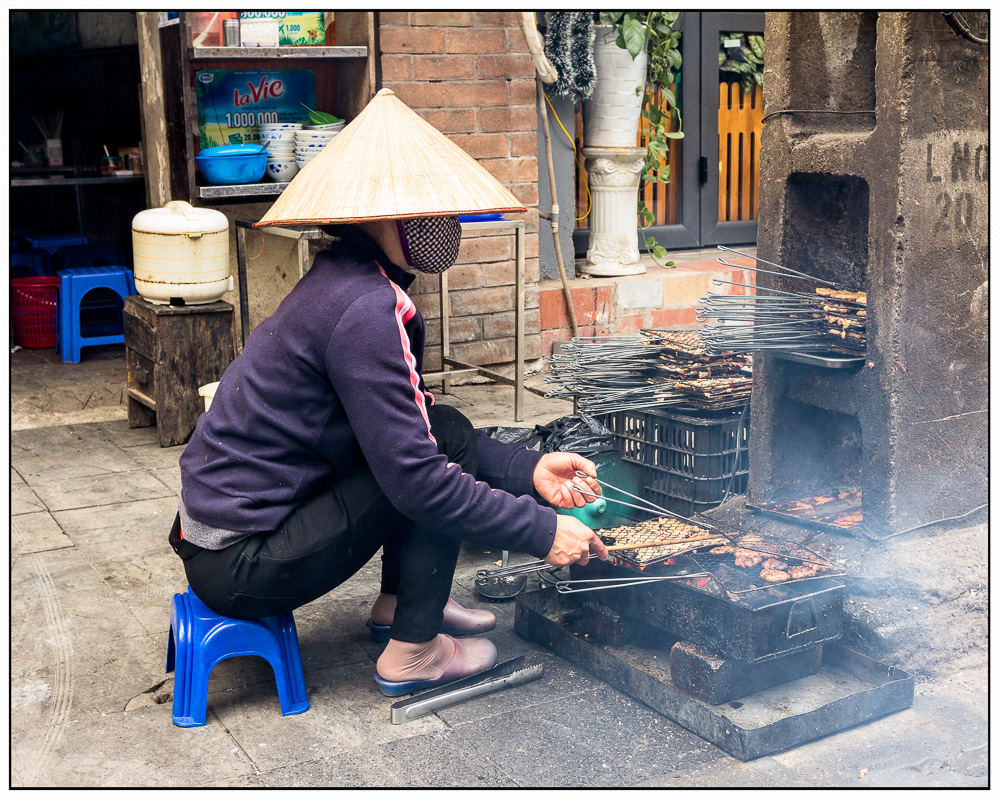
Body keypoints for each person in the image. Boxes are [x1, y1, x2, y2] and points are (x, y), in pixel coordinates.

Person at [170, 89, 607, 697]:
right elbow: (418, 479)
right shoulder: (365, 309)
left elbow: (417, 422)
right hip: (242, 561)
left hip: (223, 536)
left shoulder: (348, 279)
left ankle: (402, 604)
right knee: (433, 463)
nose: (444, 223)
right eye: (428, 209)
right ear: (377, 216)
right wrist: (542, 530)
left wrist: (527, 469)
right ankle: (414, 651)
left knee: (445, 430)